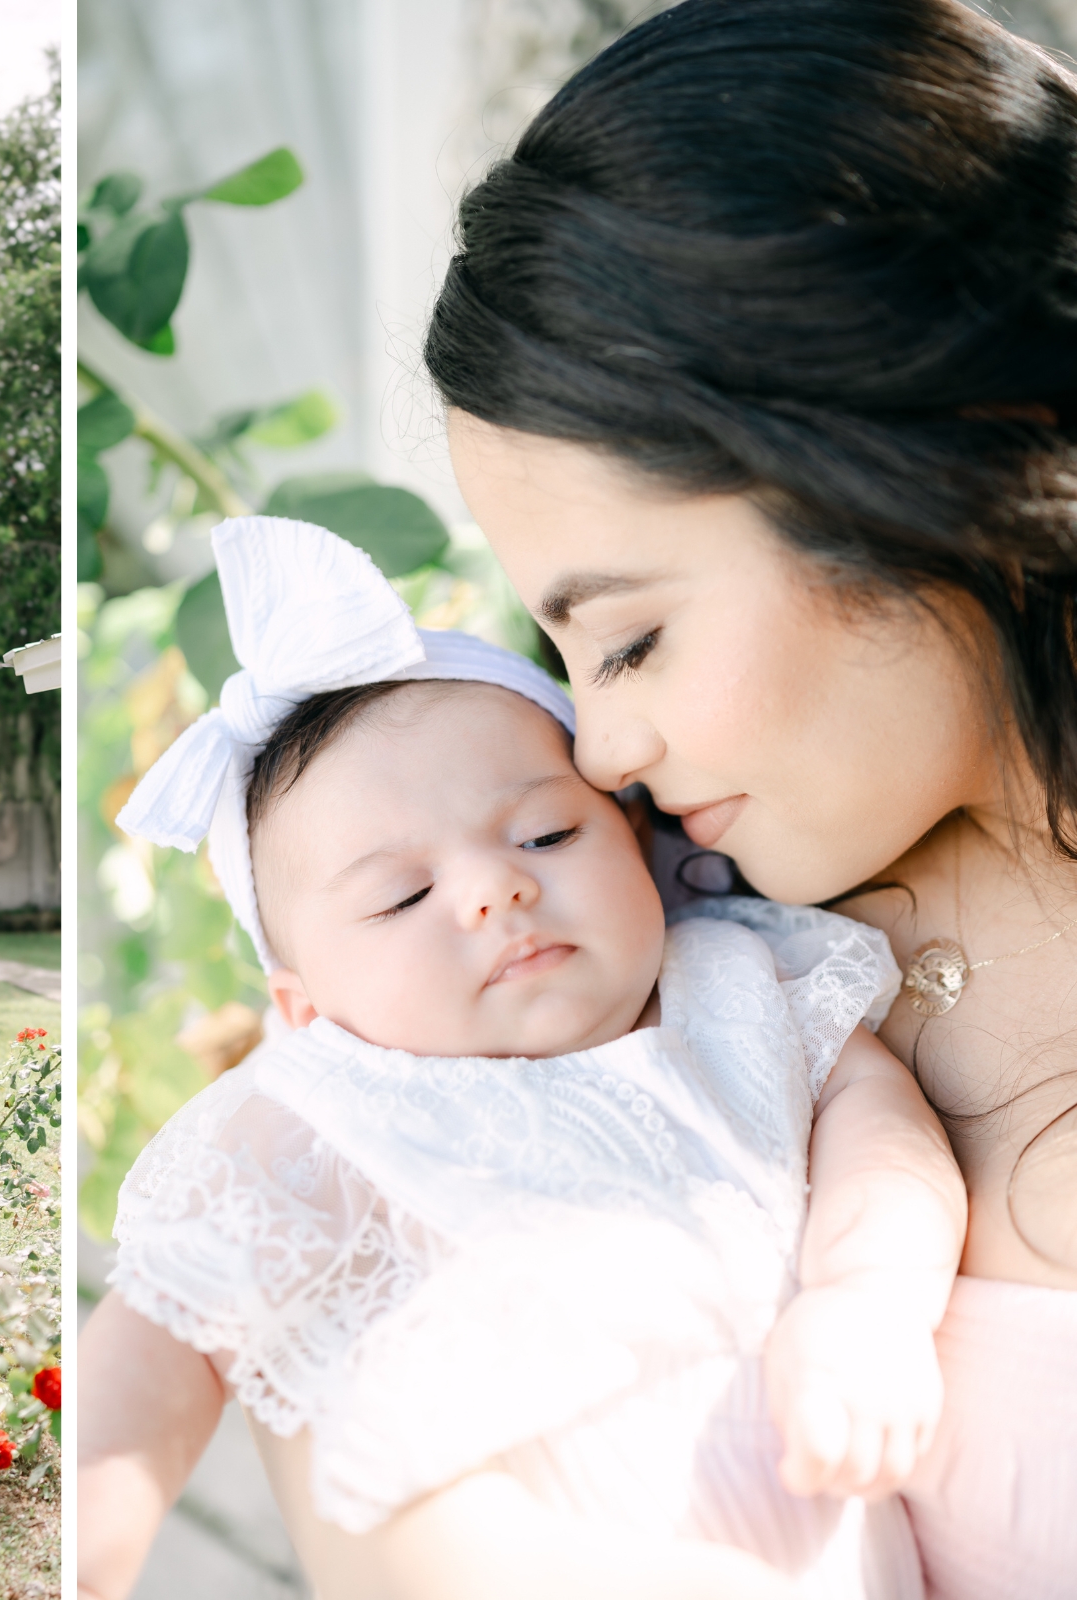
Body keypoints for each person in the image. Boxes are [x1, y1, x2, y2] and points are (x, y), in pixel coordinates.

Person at [424, 4, 1077, 1593]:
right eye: (565, 654)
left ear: (930, 458)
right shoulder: (689, 954)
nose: (598, 749)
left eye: (635, 637)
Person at [77, 518, 964, 1600]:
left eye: (546, 834)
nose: (492, 889)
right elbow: (164, 1335)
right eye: (401, 896)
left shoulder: (737, 984)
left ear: (639, 844)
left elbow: (887, 1138)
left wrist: (867, 1301)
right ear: (303, 1007)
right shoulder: (333, 1103)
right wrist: (87, 1542)